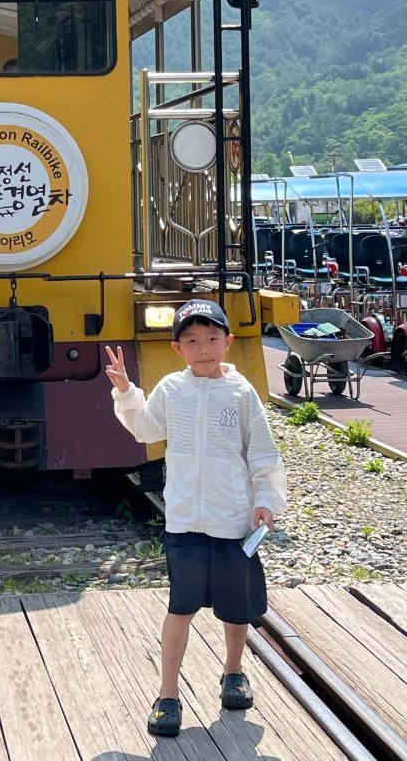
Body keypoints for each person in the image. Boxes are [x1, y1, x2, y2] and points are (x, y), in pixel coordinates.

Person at [104, 299, 286, 737]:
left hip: (231, 519)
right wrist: (126, 390)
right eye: (192, 341)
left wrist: (266, 499)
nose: (203, 348)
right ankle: (168, 693)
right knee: (180, 606)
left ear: (229, 341)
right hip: (184, 520)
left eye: (211, 339)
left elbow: (261, 453)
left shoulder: (242, 395)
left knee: (235, 607)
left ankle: (234, 671)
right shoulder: (171, 389)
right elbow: (146, 429)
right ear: (177, 348)